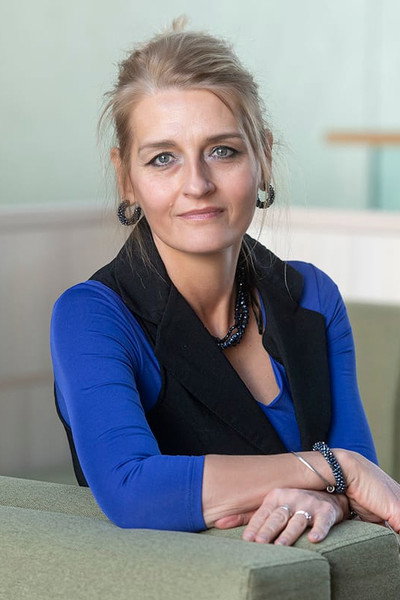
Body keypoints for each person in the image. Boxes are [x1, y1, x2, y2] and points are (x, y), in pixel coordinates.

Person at [50, 18, 400, 547]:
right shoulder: (91, 315)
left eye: (222, 151)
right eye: (163, 158)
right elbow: (131, 489)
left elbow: (364, 495)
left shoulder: (312, 296)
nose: (197, 184)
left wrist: (327, 496)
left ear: (263, 156)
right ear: (127, 178)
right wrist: (337, 469)